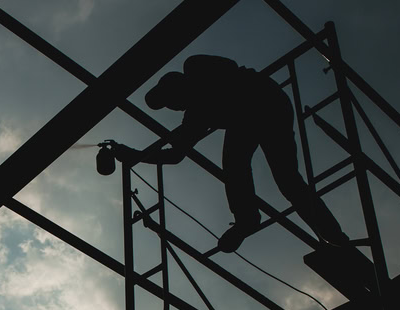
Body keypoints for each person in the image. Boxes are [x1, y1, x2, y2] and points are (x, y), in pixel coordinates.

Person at [114, 55, 348, 252]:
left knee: (284, 178)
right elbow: (175, 155)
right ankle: (248, 219)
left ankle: (332, 234)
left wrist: (205, 100)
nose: (175, 107)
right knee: (240, 166)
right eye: (171, 105)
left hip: (263, 100)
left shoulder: (195, 67)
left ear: (178, 86)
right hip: (248, 117)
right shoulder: (195, 116)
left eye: (172, 101)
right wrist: (137, 156)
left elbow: (230, 67)